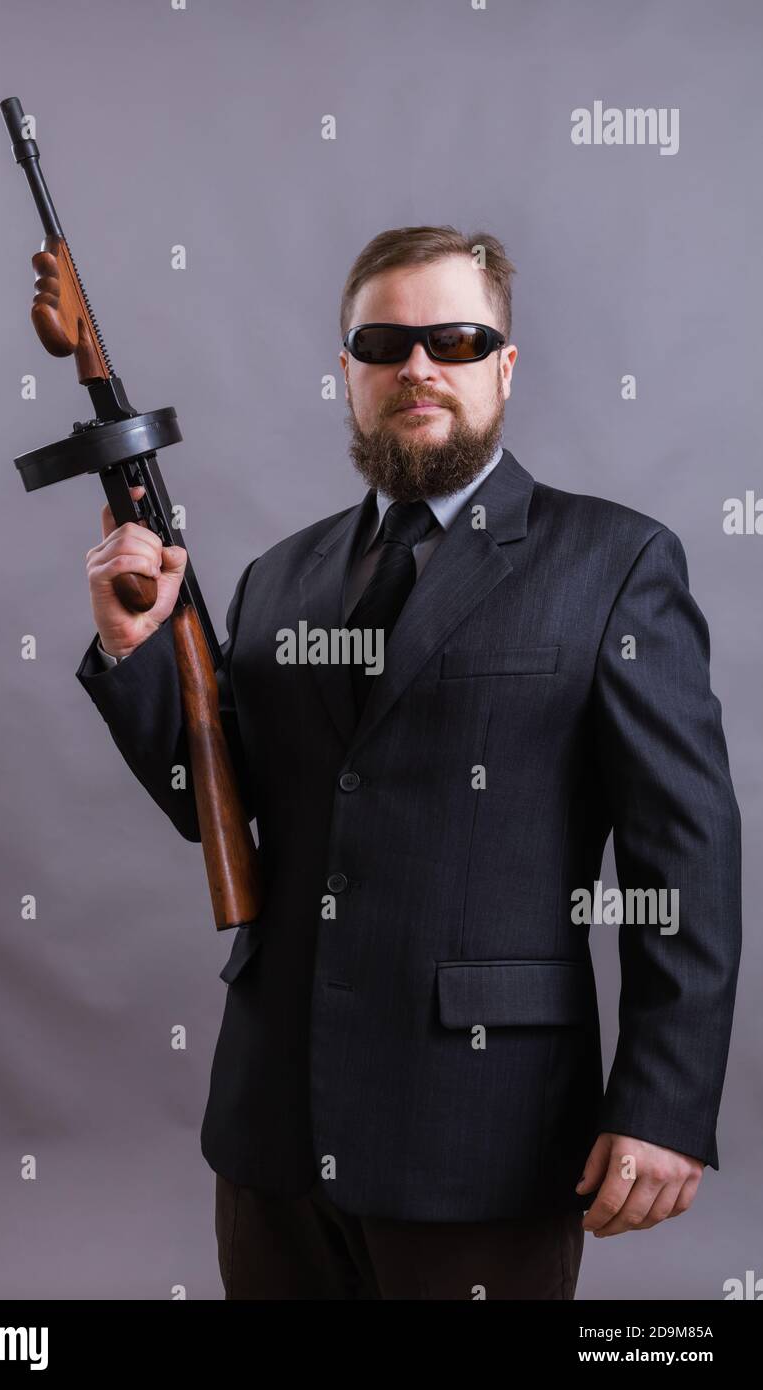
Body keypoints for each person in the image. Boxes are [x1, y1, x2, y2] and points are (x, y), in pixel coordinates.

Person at [76, 225, 742, 1300]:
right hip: (273, 1130)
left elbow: (685, 858)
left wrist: (662, 1104)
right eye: (384, 342)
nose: (418, 367)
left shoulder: (613, 563)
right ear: (345, 371)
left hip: (484, 1128)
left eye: (456, 339)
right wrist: (132, 649)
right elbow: (211, 808)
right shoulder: (278, 577)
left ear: (504, 367)